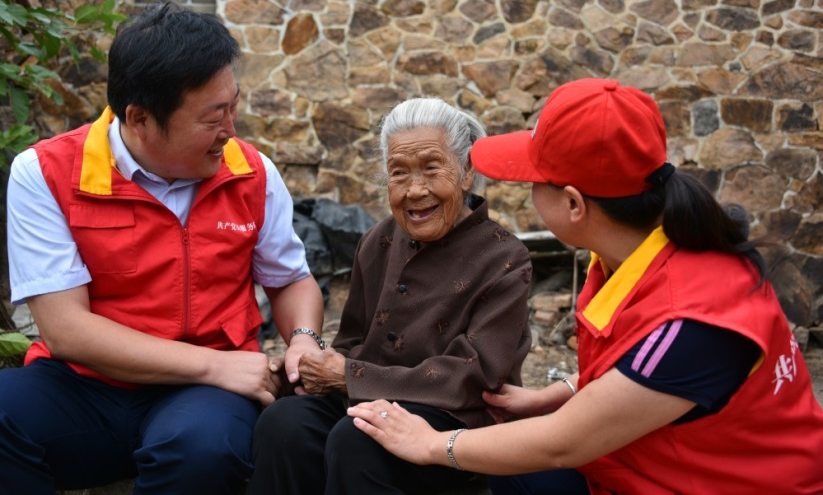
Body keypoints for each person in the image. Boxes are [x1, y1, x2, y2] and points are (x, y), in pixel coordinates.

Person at [347, 78, 823, 494]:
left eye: (534, 178)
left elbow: (563, 443)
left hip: (723, 484)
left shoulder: (693, 321)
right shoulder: (631, 254)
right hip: (656, 461)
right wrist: (560, 392)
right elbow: (638, 364)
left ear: (574, 205)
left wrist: (433, 444)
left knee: (512, 457)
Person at [0, 2, 325, 493]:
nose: (231, 130)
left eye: (233, 106)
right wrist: (218, 364)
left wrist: (303, 336)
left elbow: (291, 280)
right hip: (85, 386)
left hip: (203, 396)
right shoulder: (45, 173)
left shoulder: (252, 173)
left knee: (203, 450)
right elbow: (66, 330)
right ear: (140, 118)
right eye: (213, 118)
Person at [246, 97, 533, 494]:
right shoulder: (379, 240)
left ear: (467, 171)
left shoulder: (504, 258)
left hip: (450, 417)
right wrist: (310, 371)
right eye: (399, 173)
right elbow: (351, 342)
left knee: (358, 440)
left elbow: (475, 375)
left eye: (432, 169)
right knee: (286, 423)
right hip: (362, 399)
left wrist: (349, 375)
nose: (415, 190)